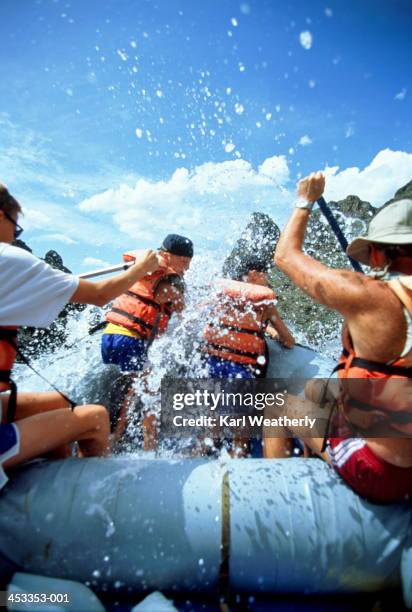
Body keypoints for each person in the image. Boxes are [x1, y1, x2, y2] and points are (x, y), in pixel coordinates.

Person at [0, 184, 162, 490]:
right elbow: (100, 294)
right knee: (96, 417)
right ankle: (90, 506)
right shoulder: (9, 260)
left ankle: (51, 486)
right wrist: (141, 269)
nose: (15, 238)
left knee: (61, 403)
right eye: (16, 229)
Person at [266, 172, 412, 504]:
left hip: (380, 470)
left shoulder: (369, 296)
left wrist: (305, 200)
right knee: (316, 389)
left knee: (276, 405)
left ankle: (280, 505)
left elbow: (286, 256)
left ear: (376, 255)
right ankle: (313, 457)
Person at [101, 233, 193, 374]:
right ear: (166, 256)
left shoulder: (145, 271)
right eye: (184, 262)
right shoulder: (167, 282)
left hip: (110, 335)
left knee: (129, 385)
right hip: (129, 340)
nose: (187, 267)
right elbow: (181, 309)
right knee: (146, 388)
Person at [203, 260, 295, 380]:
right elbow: (288, 341)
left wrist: (267, 329)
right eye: (265, 274)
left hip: (209, 362)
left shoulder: (221, 295)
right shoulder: (265, 303)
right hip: (240, 371)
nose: (267, 278)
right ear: (254, 274)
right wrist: (275, 334)